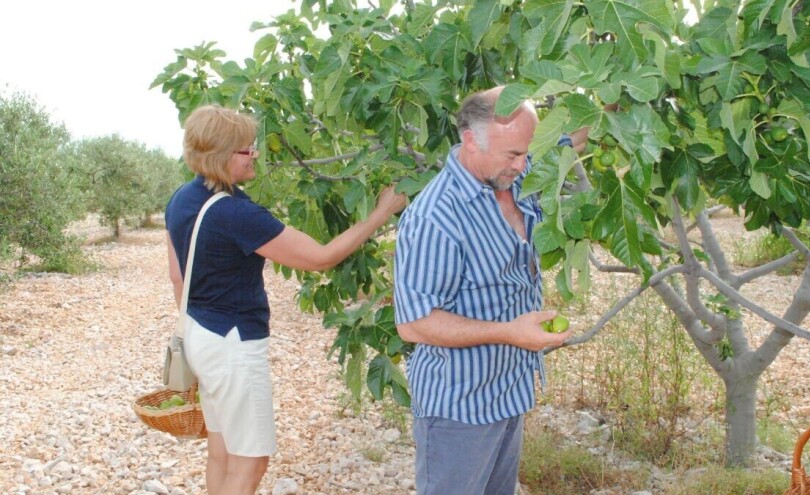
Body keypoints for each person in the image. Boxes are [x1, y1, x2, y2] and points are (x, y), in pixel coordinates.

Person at [164, 104, 407, 495]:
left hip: (200, 333)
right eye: (247, 149)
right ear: (222, 155)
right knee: (251, 460)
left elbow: (178, 277)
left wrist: (202, 339)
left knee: (221, 451)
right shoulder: (238, 214)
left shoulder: (181, 199)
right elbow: (320, 257)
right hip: (232, 344)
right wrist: (381, 213)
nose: (255, 153)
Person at [393, 86, 586, 494]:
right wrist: (508, 332)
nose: (523, 163)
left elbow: (569, 140)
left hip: (508, 391)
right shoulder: (435, 218)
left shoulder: (512, 173)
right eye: (513, 154)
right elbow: (414, 323)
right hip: (459, 406)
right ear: (470, 140)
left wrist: (617, 98)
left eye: (526, 152)